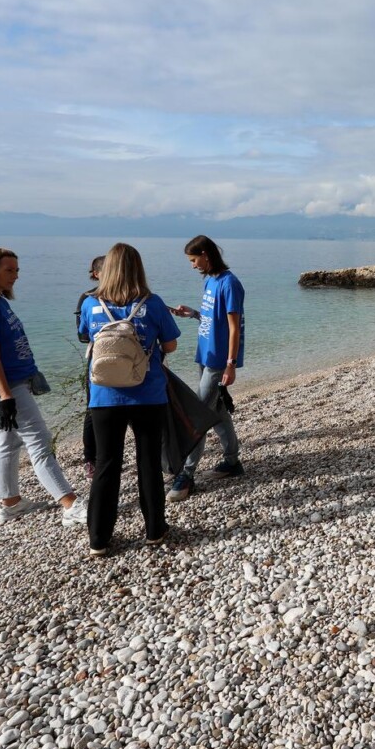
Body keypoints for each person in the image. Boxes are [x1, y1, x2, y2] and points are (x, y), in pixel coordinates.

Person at [0, 248, 87, 526]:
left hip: (13, 382)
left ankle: (10, 504)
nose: (16, 276)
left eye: (17, 270)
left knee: (9, 441)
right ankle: (70, 505)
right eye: (9, 270)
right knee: (40, 443)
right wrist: (5, 395)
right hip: (6, 385)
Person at [79, 243, 181, 556]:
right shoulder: (153, 303)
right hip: (148, 394)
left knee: (107, 464)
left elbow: (86, 336)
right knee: (148, 462)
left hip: (104, 396)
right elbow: (172, 345)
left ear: (105, 269)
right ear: (139, 268)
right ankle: (154, 530)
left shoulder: (90, 304)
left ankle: (99, 538)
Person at [167, 235, 245, 501]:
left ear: (206, 254)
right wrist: (193, 314)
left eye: (193, 260)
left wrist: (231, 364)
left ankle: (186, 475)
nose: (192, 266)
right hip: (205, 355)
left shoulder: (230, 283)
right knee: (217, 410)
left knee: (198, 416)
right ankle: (232, 461)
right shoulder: (210, 281)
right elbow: (214, 319)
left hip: (218, 361)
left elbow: (234, 327)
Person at [76, 255, 105, 479]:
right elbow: (82, 335)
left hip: (106, 359)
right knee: (92, 409)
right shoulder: (88, 298)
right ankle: (90, 459)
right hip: (97, 361)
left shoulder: (126, 294)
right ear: (95, 273)